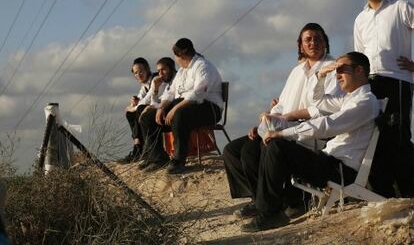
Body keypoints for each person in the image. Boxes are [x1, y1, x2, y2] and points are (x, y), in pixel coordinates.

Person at [239, 52, 380, 232]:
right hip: (329, 162)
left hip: (340, 170)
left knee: (278, 146)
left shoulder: (365, 102)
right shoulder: (350, 98)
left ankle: (270, 213)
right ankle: (269, 207)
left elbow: (327, 125)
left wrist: (284, 133)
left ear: (359, 70)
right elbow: (318, 101)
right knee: (270, 145)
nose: (337, 75)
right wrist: (321, 76)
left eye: (341, 69)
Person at [223, 23, 340, 219]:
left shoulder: (332, 67)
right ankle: (260, 199)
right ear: (301, 46)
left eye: (318, 39)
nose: (313, 43)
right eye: (308, 40)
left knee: (251, 151)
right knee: (232, 150)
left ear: (325, 42)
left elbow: (326, 108)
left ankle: (276, 204)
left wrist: (288, 117)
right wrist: (266, 118)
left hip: (308, 129)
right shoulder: (297, 71)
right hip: (282, 124)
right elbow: (282, 105)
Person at [354, 0, 414, 197]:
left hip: (397, 80)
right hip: (370, 83)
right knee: (374, 138)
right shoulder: (360, 19)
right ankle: (385, 194)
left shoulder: (400, 8)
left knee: (398, 137)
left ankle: (409, 193)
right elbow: (359, 56)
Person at [139, 38, 223, 174]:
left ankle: (178, 161)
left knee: (179, 113)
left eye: (176, 56)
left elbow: (198, 94)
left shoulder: (203, 66)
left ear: (181, 56)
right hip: (185, 106)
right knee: (148, 117)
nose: (176, 59)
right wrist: (161, 108)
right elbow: (170, 92)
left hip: (209, 108)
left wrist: (175, 108)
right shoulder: (182, 71)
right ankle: (158, 158)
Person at [120, 57, 154, 164]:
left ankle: (140, 147)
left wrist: (135, 106)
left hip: (159, 109)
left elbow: (148, 100)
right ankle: (138, 144)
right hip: (150, 109)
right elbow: (141, 99)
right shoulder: (144, 85)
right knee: (130, 114)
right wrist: (134, 102)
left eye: (141, 72)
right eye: (135, 73)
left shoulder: (155, 80)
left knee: (139, 110)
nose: (138, 75)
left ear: (147, 69)